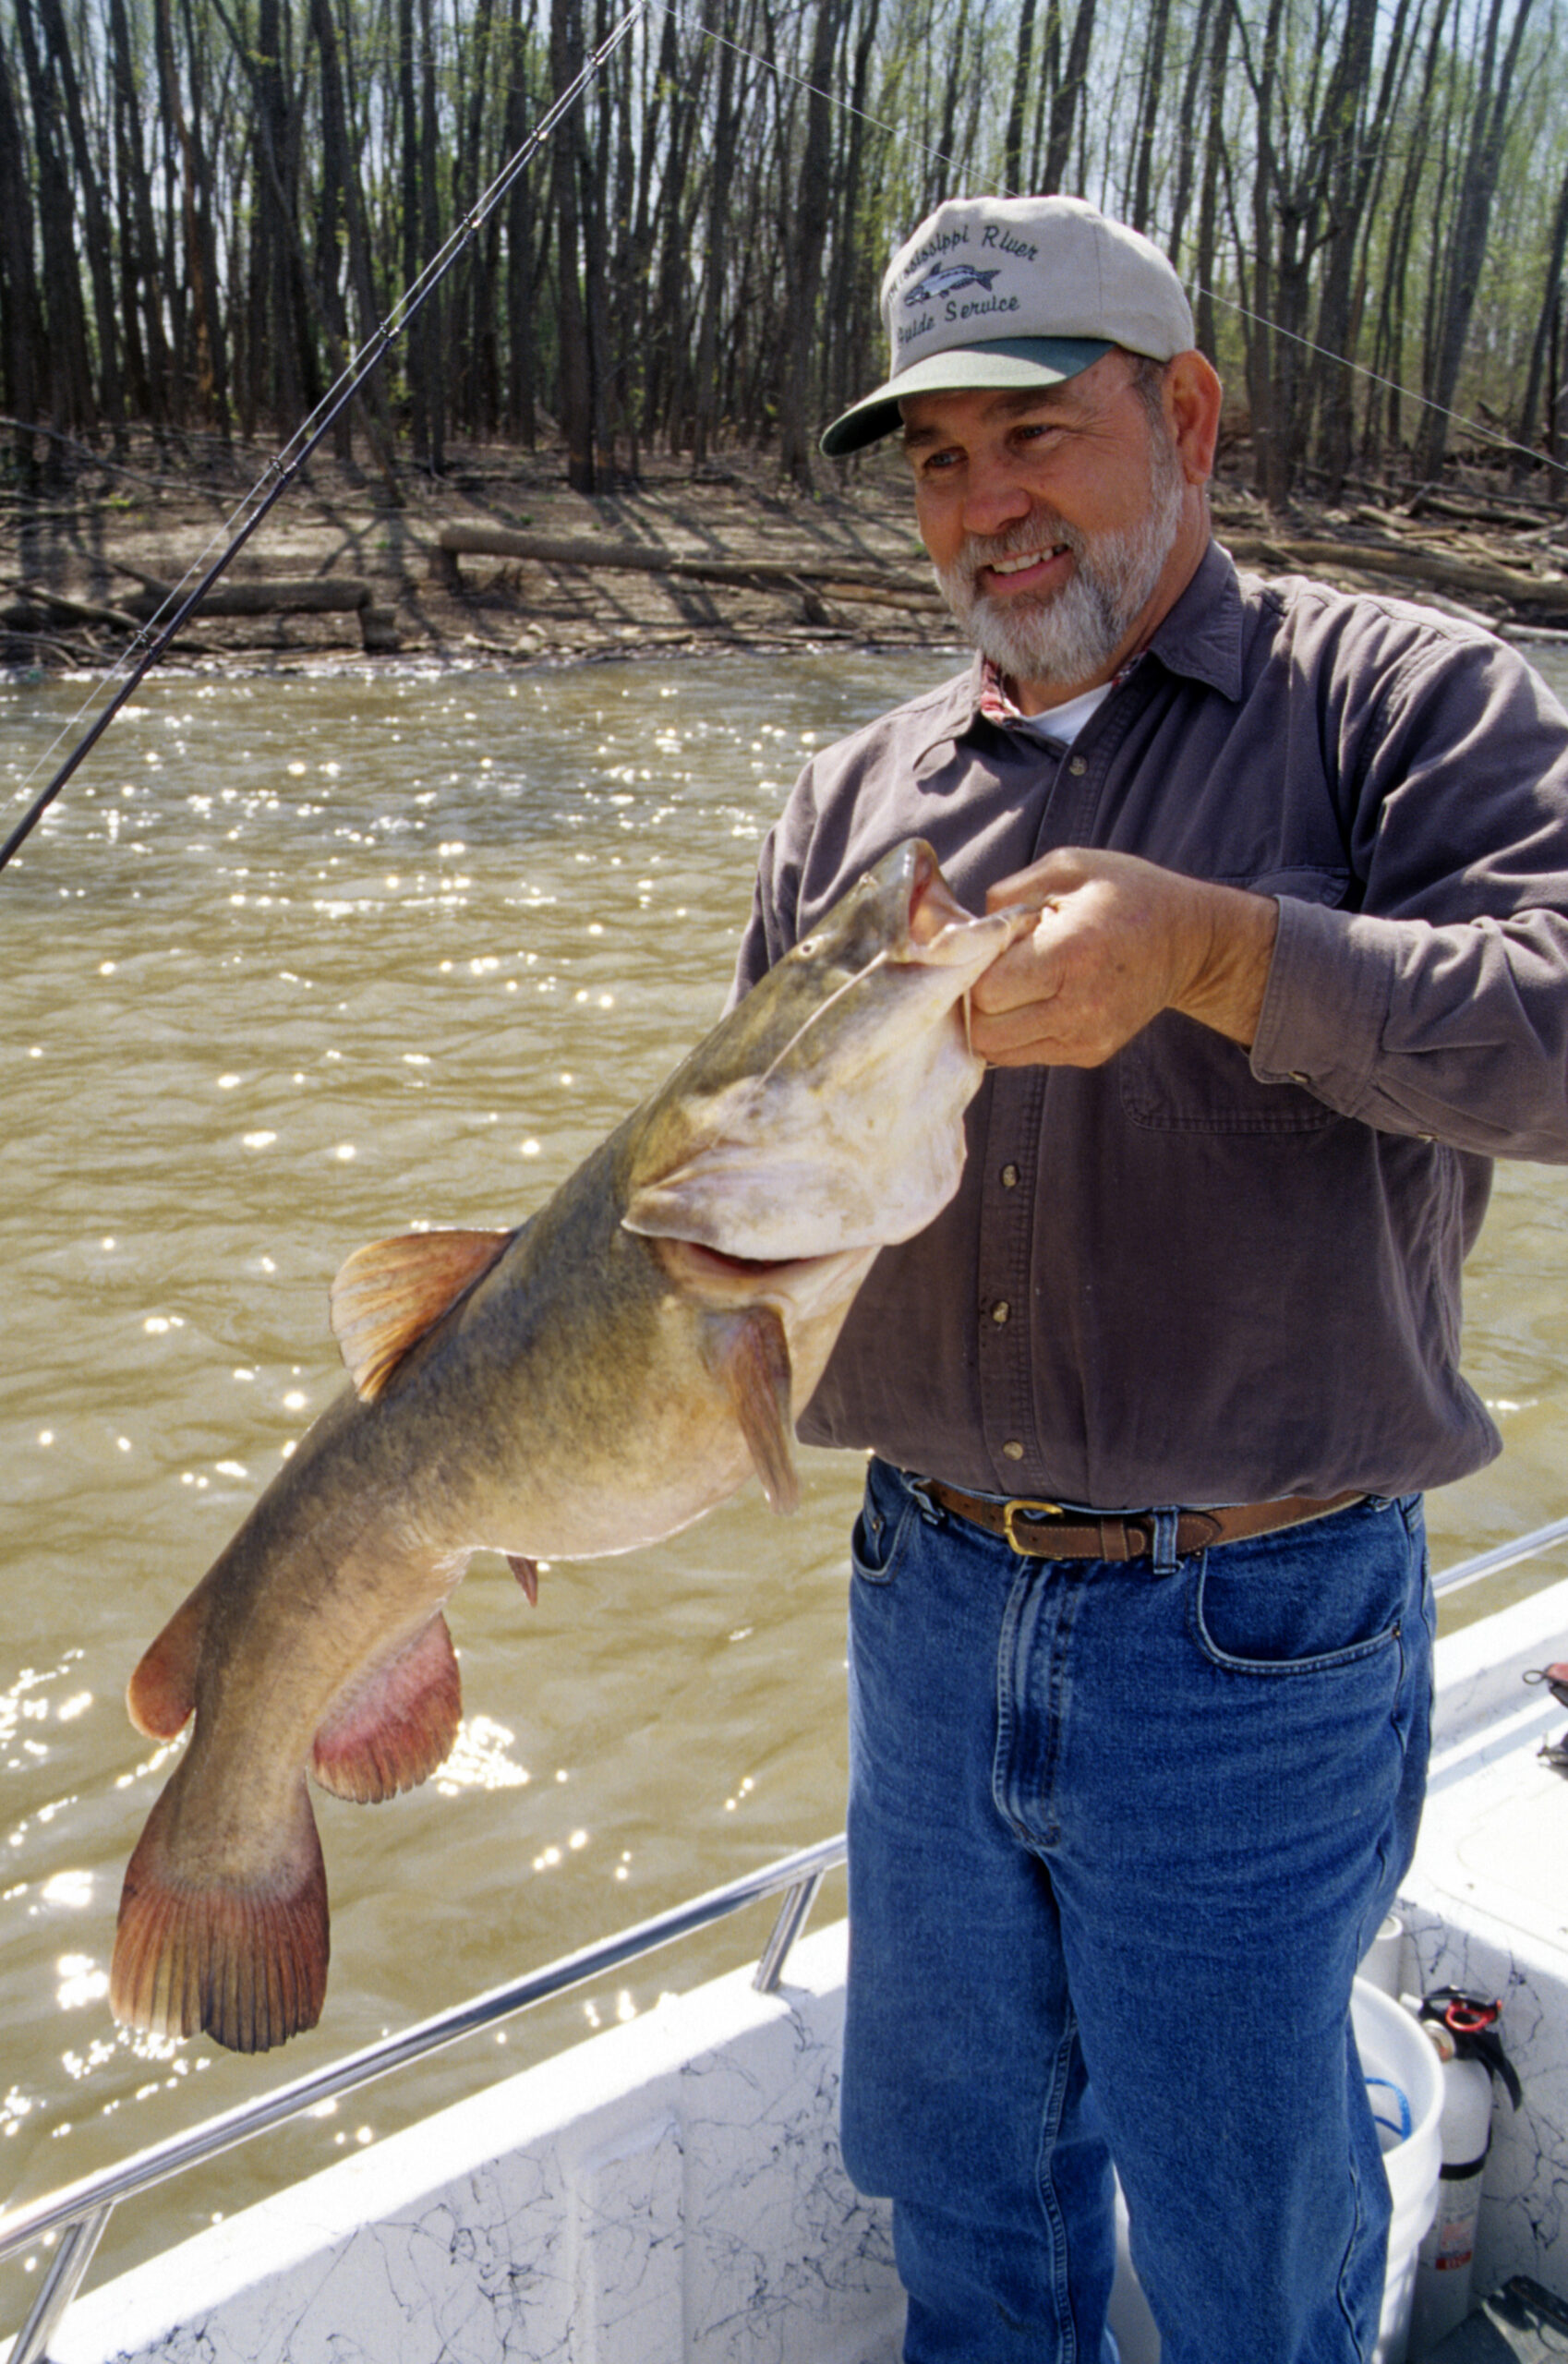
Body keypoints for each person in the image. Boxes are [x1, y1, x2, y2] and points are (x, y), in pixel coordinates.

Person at [730, 193, 1568, 2364]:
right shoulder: (853, 803)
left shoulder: (1403, 699)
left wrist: (1220, 951)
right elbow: (728, 1196)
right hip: (925, 1598)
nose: (984, 508)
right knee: (967, 2192)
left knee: (1239, 2229)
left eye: (1037, 434)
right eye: (935, 459)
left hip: (1253, 1637)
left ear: (1188, 412)